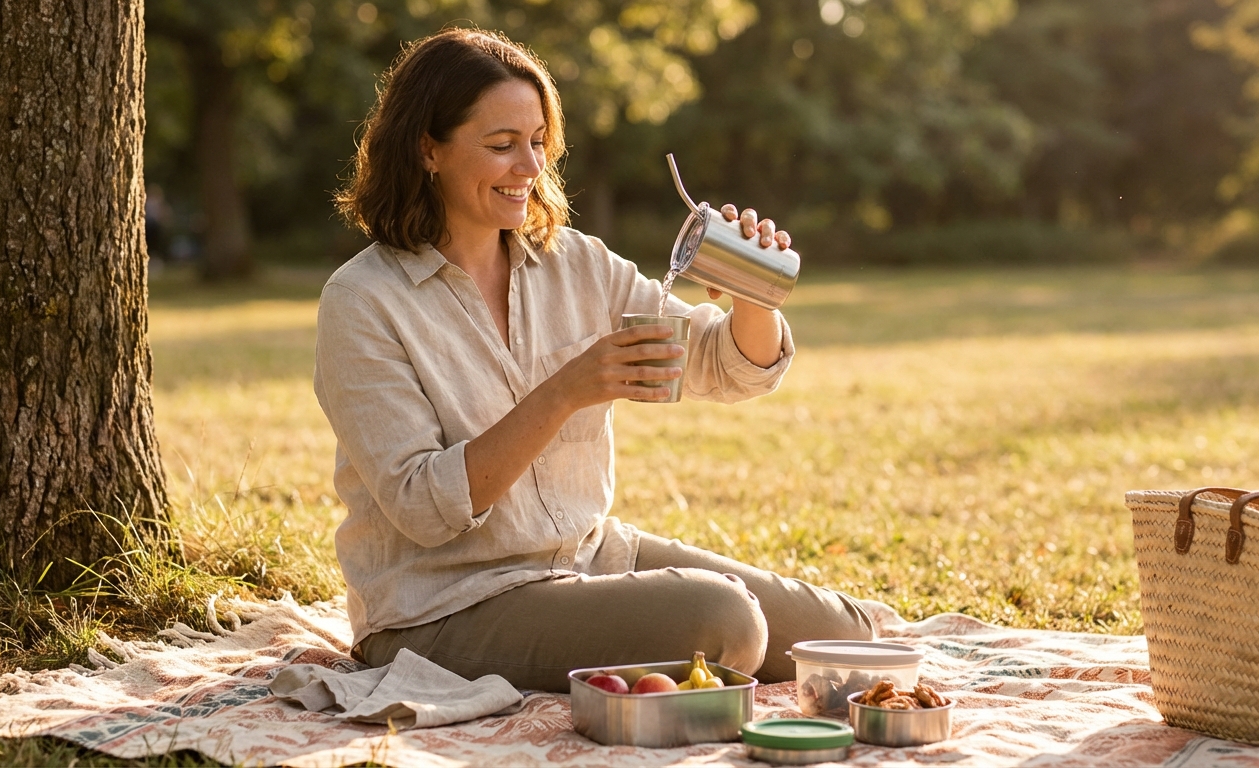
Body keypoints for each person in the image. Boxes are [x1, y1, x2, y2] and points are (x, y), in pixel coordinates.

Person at [316, 27, 874, 692]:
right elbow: (423, 509)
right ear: (428, 149)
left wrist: (754, 295)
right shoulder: (363, 302)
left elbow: (725, 365)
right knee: (724, 624)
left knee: (848, 637)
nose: (529, 166)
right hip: (443, 608)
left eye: (536, 143)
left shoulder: (574, 263)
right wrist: (563, 392)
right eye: (502, 145)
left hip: (585, 560)